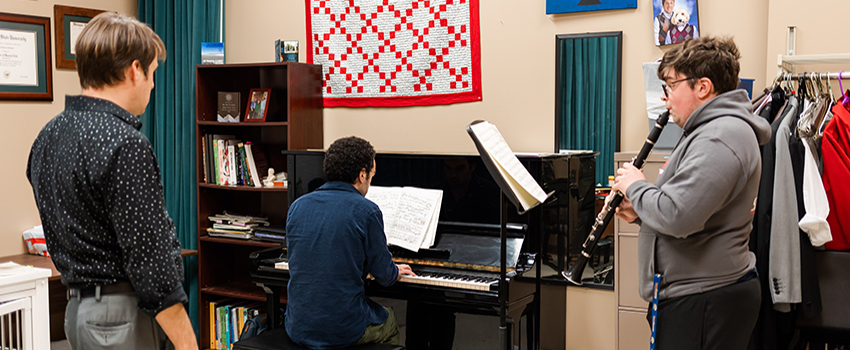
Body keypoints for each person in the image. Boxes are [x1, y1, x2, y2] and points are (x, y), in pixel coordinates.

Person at [26, 12, 197, 350]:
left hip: (76, 313)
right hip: (121, 319)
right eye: (151, 74)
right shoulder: (124, 143)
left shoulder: (48, 136)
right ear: (135, 70)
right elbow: (152, 261)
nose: (151, 84)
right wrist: (188, 344)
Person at [611, 36, 770, 349]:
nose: (665, 99)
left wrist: (635, 184)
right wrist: (643, 212)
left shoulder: (721, 136)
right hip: (696, 295)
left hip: (705, 299)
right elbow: (698, 216)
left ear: (702, 87)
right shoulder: (707, 131)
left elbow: (679, 215)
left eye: (670, 86)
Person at [284, 136, 416, 348]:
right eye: (372, 175)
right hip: (342, 329)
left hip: (297, 325)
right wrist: (393, 270)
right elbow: (385, 276)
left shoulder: (297, 206)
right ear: (362, 174)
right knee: (390, 321)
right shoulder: (367, 211)